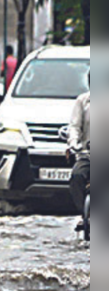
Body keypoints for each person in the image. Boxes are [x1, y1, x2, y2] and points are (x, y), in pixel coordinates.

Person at [67, 85, 89, 215]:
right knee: (77, 176)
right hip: (87, 155)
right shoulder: (82, 101)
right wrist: (73, 143)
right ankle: (84, 213)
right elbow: (74, 127)